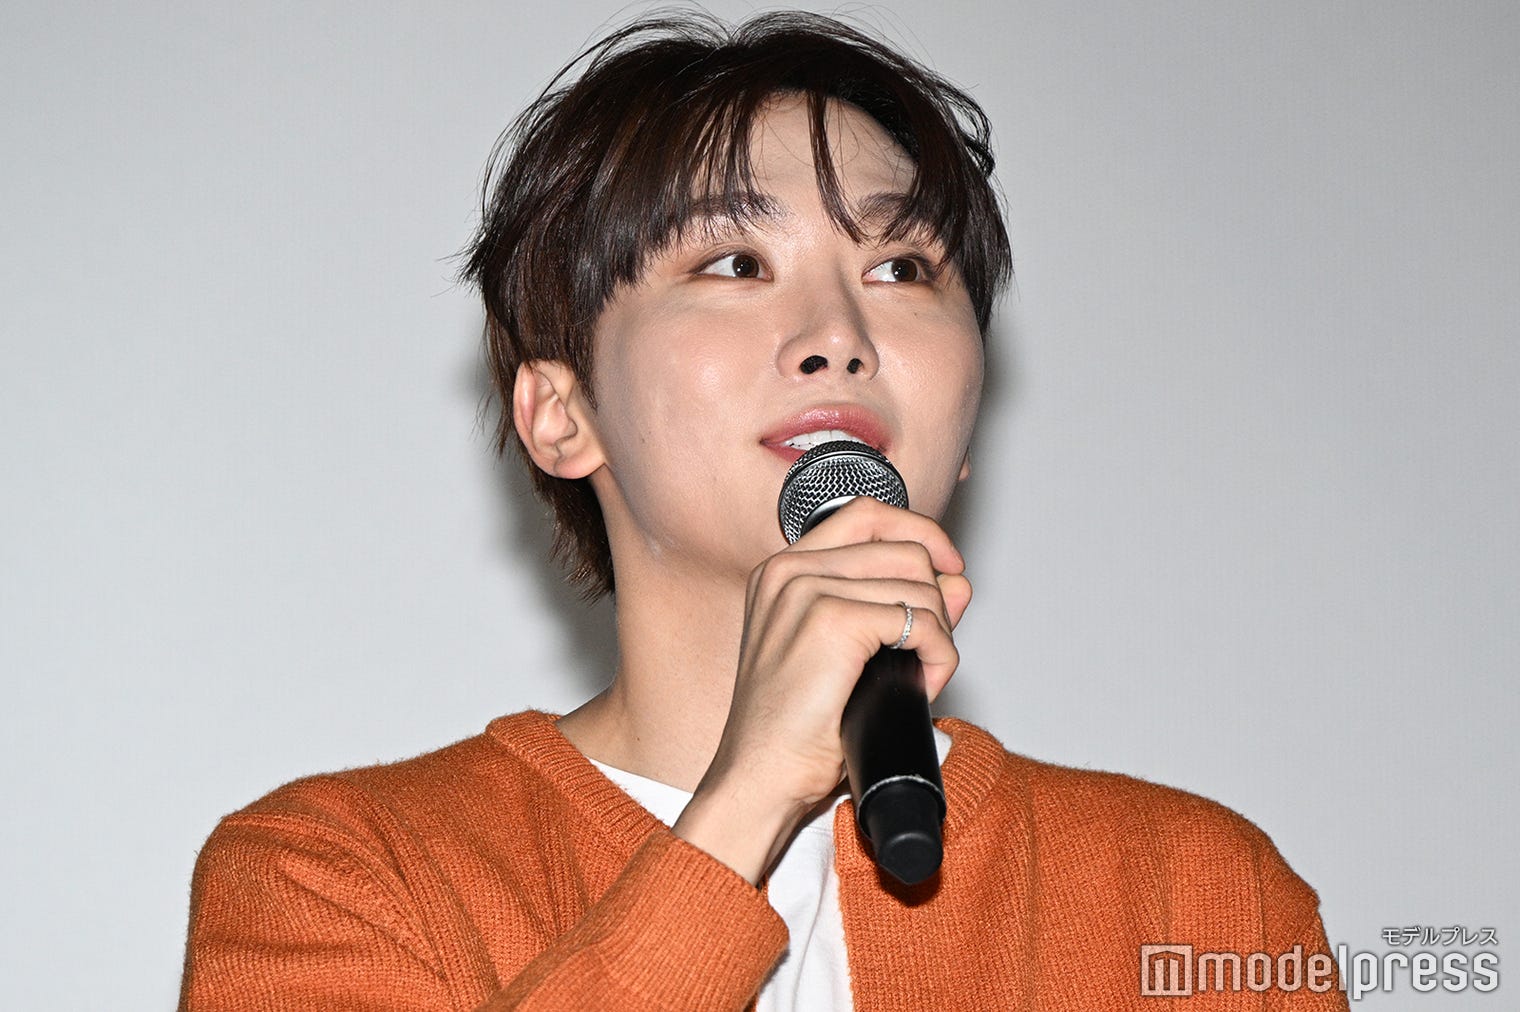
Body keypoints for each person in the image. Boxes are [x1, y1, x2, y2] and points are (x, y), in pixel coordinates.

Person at [178, 12, 1347, 1010]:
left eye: (900, 268)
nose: (839, 336)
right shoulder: (335, 874)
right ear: (560, 413)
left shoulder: (1198, 893)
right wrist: (742, 804)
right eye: (733, 264)